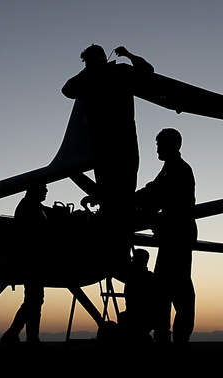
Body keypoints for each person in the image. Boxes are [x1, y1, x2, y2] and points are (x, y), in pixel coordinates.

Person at [62, 44, 154, 275]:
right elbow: (67, 89)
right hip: (106, 149)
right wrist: (89, 71)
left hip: (122, 147)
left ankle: (119, 256)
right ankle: (115, 254)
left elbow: (147, 71)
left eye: (95, 59)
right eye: (90, 61)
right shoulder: (89, 79)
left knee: (120, 201)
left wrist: (129, 55)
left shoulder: (119, 72)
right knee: (111, 201)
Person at [135, 128, 197, 344]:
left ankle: (174, 339)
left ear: (172, 145)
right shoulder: (169, 169)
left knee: (175, 289)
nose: (157, 149)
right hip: (173, 236)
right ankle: (167, 336)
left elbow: (156, 194)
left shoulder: (177, 170)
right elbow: (153, 191)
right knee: (167, 289)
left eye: (159, 145)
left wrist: (129, 203)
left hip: (177, 237)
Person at [0, 183, 50, 344]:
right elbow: (34, 233)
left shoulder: (33, 206)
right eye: (43, 189)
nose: (46, 191)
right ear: (35, 191)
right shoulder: (28, 208)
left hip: (33, 261)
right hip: (31, 261)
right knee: (34, 300)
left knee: (35, 301)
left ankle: (29, 336)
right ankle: (14, 333)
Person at [121, 249, 159, 343]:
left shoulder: (132, 277)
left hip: (135, 318)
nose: (132, 261)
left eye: (133, 259)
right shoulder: (151, 277)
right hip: (148, 318)